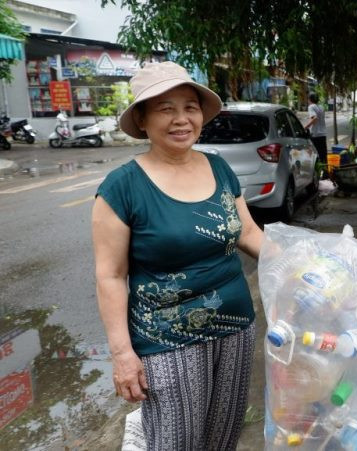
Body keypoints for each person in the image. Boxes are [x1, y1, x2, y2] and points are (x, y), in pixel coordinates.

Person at [92, 61, 264, 450]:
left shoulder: (219, 168)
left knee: (223, 437)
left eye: (190, 107)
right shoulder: (121, 188)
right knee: (175, 441)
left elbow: (249, 232)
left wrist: (307, 264)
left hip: (235, 324)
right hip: (166, 337)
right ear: (142, 118)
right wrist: (122, 354)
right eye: (166, 108)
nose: (181, 119)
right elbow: (110, 276)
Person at [305, 92, 327, 167]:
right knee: (323, 155)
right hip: (323, 134)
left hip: (315, 135)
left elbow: (315, 118)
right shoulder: (321, 107)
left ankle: (316, 171)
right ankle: (325, 172)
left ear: (309, 99)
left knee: (313, 155)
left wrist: (305, 127)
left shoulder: (311, 107)